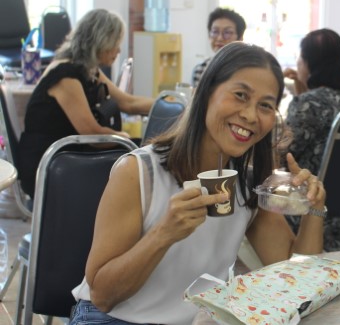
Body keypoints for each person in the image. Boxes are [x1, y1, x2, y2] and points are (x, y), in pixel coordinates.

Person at [69, 42, 326, 325]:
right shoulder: (139, 172)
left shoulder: (248, 184)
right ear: (206, 93)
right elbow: (103, 296)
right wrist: (164, 233)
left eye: (265, 105)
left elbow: (296, 279)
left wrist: (314, 208)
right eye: (240, 95)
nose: (251, 116)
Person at [17, 9, 153, 198]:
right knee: (139, 158)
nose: (118, 50)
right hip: (48, 165)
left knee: (143, 151)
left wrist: (167, 103)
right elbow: (92, 133)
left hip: (69, 156)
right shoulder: (66, 76)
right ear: (101, 41)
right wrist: (126, 139)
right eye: (115, 43)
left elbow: (127, 102)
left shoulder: (87, 69)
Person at [284, 28, 340, 251]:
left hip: (308, 210)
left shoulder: (308, 104)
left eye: (300, 57)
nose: (298, 62)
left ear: (310, 63)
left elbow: (282, 154)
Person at [191, 7, 246, 87]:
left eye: (227, 32)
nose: (220, 38)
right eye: (215, 32)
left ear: (240, 38)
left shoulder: (247, 69)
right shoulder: (201, 69)